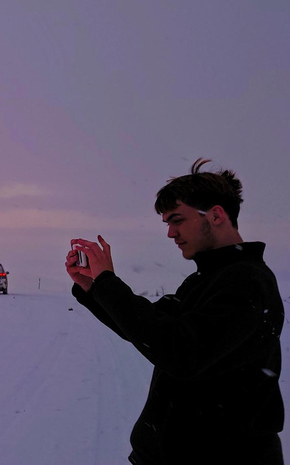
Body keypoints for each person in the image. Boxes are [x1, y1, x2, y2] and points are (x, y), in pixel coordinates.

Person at [65, 159, 284, 464]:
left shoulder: (247, 282)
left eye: (178, 220)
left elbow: (180, 352)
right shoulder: (206, 279)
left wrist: (107, 284)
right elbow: (150, 328)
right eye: (167, 222)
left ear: (217, 215)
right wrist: (94, 289)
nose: (170, 233)